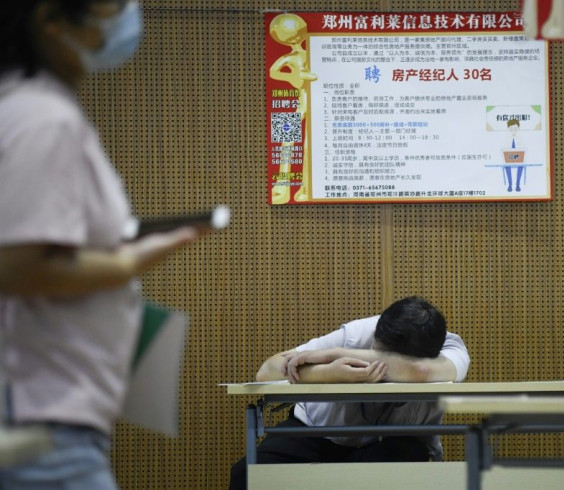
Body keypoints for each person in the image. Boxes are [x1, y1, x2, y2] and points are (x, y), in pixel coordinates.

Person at [0, 1, 202, 488]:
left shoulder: (22, 107)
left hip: (42, 408)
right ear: (49, 18)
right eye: (110, 7)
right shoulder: (42, 117)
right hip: (41, 415)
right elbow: (18, 267)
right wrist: (126, 263)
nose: (122, 20)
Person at [229, 296, 470, 489]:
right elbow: (267, 371)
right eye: (376, 347)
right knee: (247, 474)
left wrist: (335, 354)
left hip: (393, 440)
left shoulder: (449, 347)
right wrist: (330, 372)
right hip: (318, 430)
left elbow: (422, 370)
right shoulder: (360, 332)